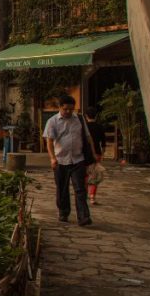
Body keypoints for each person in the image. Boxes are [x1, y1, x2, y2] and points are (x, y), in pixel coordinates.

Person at [43, 95, 93, 226]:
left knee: (80, 189)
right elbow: (49, 142)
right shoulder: (52, 121)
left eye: (71, 109)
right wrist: (52, 158)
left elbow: (88, 137)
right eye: (65, 109)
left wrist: (93, 156)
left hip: (78, 159)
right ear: (60, 107)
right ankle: (63, 212)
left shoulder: (80, 119)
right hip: (60, 160)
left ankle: (83, 216)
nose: (68, 112)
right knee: (62, 189)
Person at [84, 106, 106, 204]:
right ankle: (92, 197)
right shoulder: (100, 127)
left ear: (86, 116)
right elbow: (103, 143)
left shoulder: (84, 127)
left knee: (85, 175)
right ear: (96, 116)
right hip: (96, 153)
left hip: (84, 153)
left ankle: (84, 195)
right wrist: (102, 154)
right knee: (94, 175)